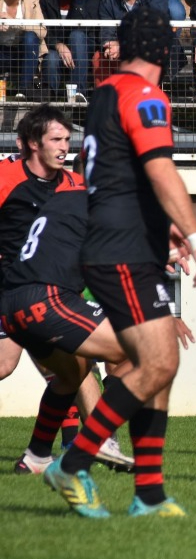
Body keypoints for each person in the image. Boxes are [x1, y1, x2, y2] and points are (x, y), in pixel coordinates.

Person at [44, 7, 196, 518]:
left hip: (120, 244)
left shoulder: (105, 93)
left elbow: (114, 172)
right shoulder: (146, 95)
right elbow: (160, 170)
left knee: (158, 367)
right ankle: (73, 462)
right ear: (165, 50)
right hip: (121, 250)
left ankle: (149, 494)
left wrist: (159, 227)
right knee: (160, 363)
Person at [2, 107, 136, 476]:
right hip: (28, 292)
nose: (64, 146)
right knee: (139, 348)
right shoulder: (8, 178)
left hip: (39, 295)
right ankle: (98, 438)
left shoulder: (71, 187)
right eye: (56, 139)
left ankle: (40, 455)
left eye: (67, 139)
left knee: (74, 371)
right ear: (33, 143)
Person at [98, 0, 171, 75]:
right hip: (119, 51)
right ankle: (108, 88)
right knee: (99, 58)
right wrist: (110, 45)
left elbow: (153, 26)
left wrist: (124, 45)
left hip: (149, 47)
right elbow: (106, 31)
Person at [39, 0, 99, 104]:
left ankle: (77, 96)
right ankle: (50, 105)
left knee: (77, 35)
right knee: (51, 59)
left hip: (84, 46)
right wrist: (58, 45)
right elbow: (43, 29)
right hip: (56, 46)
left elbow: (84, 28)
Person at [0, 0, 46, 103]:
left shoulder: (33, 0)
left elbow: (42, 30)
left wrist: (14, 22)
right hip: (2, 52)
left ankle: (23, 90)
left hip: (24, 52)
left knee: (30, 36)